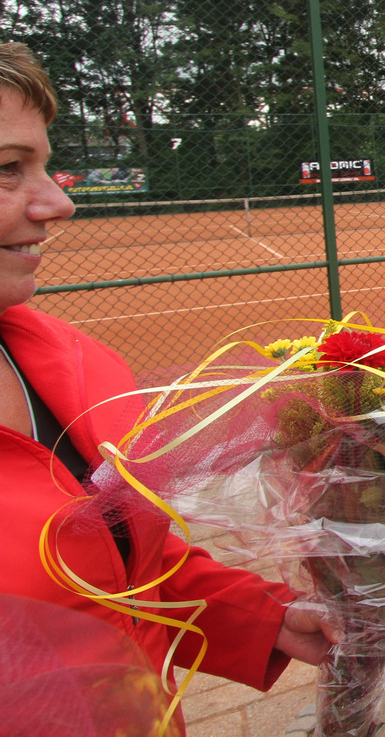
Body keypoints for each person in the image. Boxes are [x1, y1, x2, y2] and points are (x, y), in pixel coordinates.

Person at [0, 42, 333, 719]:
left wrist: (264, 616)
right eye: (7, 168)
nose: (59, 203)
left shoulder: (76, 364)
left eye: (43, 164)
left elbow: (119, 566)